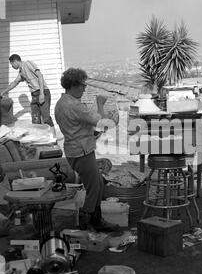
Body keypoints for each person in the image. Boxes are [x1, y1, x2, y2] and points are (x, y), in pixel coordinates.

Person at [55, 67, 119, 232]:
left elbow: (81, 124)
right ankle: (88, 219)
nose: (84, 88)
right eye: (83, 85)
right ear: (75, 85)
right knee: (94, 187)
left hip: (74, 149)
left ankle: (95, 218)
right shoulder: (74, 105)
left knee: (97, 182)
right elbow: (101, 122)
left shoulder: (61, 103)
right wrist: (100, 103)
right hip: (81, 151)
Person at [0, 54, 56, 137]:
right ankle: (41, 139)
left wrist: (41, 94)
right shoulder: (21, 72)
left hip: (42, 91)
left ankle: (53, 138)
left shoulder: (28, 63)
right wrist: (2, 92)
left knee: (46, 117)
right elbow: (14, 83)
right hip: (34, 95)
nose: (12, 66)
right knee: (35, 119)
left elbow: (40, 76)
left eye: (11, 64)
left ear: (14, 61)